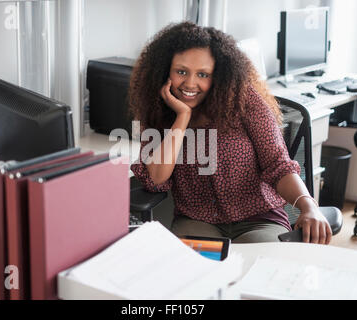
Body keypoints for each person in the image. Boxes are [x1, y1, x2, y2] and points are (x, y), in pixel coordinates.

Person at [129, 21, 332, 244]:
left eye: (203, 74)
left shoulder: (243, 101)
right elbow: (156, 177)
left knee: (265, 268)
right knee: (196, 272)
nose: (190, 83)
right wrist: (182, 117)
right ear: (164, 71)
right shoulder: (158, 113)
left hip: (258, 217)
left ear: (218, 75)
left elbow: (278, 165)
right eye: (181, 71)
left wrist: (308, 205)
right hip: (198, 220)